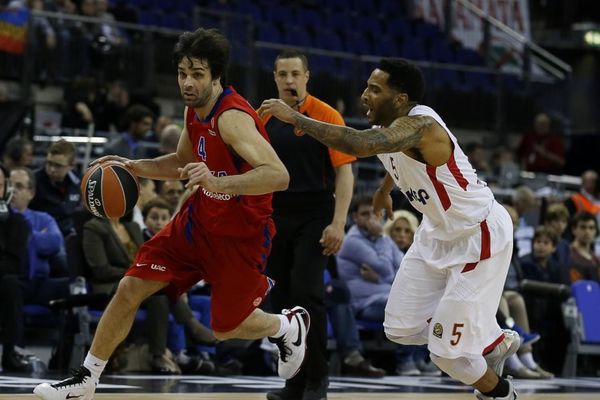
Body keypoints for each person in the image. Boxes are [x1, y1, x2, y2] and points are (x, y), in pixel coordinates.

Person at [34, 28, 308, 400]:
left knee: (226, 328)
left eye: (197, 74)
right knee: (130, 287)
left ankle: (285, 326)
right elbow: (182, 160)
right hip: (197, 223)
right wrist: (133, 166)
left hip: (239, 233)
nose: (188, 82)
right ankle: (86, 378)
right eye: (182, 73)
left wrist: (216, 181)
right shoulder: (193, 110)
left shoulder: (231, 118)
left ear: (216, 76)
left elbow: (279, 175)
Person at [260, 58, 520, 400]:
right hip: (436, 233)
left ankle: (500, 392)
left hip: (477, 234)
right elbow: (396, 155)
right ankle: (485, 338)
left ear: (400, 99)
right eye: (367, 86)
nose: (365, 95)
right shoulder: (393, 129)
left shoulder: (422, 126)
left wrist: (295, 117)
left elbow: (360, 145)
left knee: (446, 354)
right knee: (399, 327)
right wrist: (385, 190)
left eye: (375, 89)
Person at [261, 49, 355, 400]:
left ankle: (319, 378)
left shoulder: (325, 115)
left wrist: (339, 222)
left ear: (306, 77)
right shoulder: (264, 118)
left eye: (294, 74)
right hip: (274, 215)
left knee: (306, 292)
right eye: (282, 74)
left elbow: (345, 172)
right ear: (274, 77)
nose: (288, 80)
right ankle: (295, 381)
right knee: (282, 300)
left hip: (316, 212)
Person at [0, 162, 38, 373]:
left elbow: (13, 264)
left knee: (10, 283)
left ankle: (10, 352)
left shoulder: (17, 223)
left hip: (5, 281)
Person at [29, 139, 82, 237]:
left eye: (58, 166)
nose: (52, 169)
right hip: (41, 235)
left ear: (71, 166)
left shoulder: (78, 182)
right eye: (49, 163)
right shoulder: (33, 181)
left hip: (69, 235)